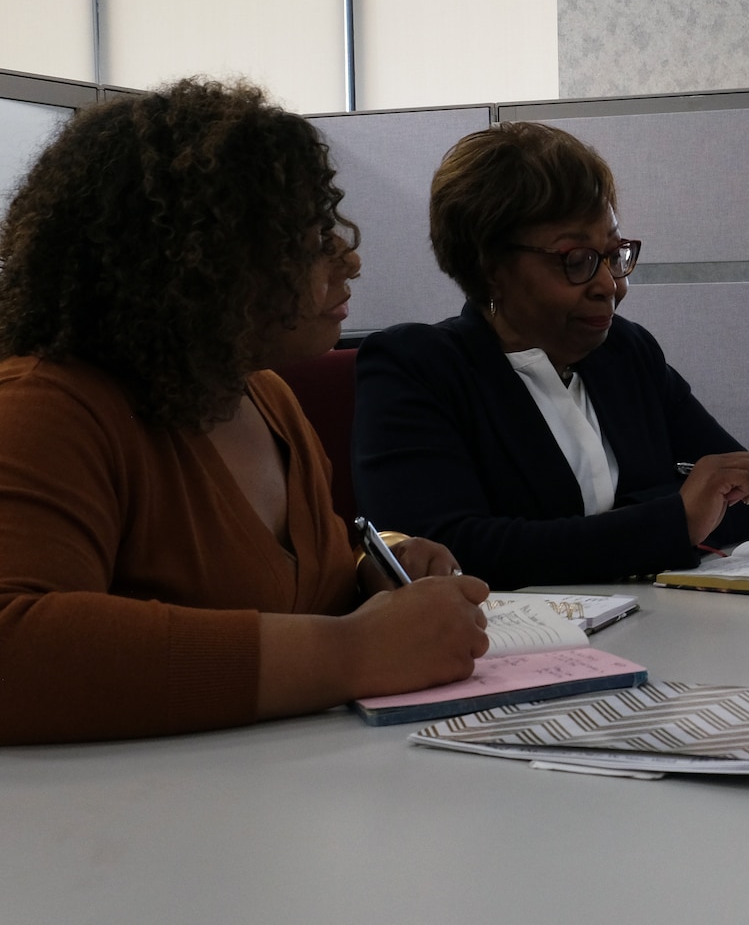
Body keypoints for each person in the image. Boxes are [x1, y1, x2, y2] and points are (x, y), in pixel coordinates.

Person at [0, 79, 491, 746]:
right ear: (192, 262)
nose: (347, 259)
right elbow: (16, 645)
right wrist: (351, 652)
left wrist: (372, 568)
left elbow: (274, 585)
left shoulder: (263, 395)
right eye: (310, 238)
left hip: (284, 810)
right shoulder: (48, 407)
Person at [352, 122, 749, 590]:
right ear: (490, 268)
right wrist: (670, 519)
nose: (610, 285)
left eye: (613, 254)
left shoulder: (626, 352)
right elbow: (448, 551)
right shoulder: (417, 367)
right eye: (577, 260)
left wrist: (605, 529)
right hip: (514, 651)